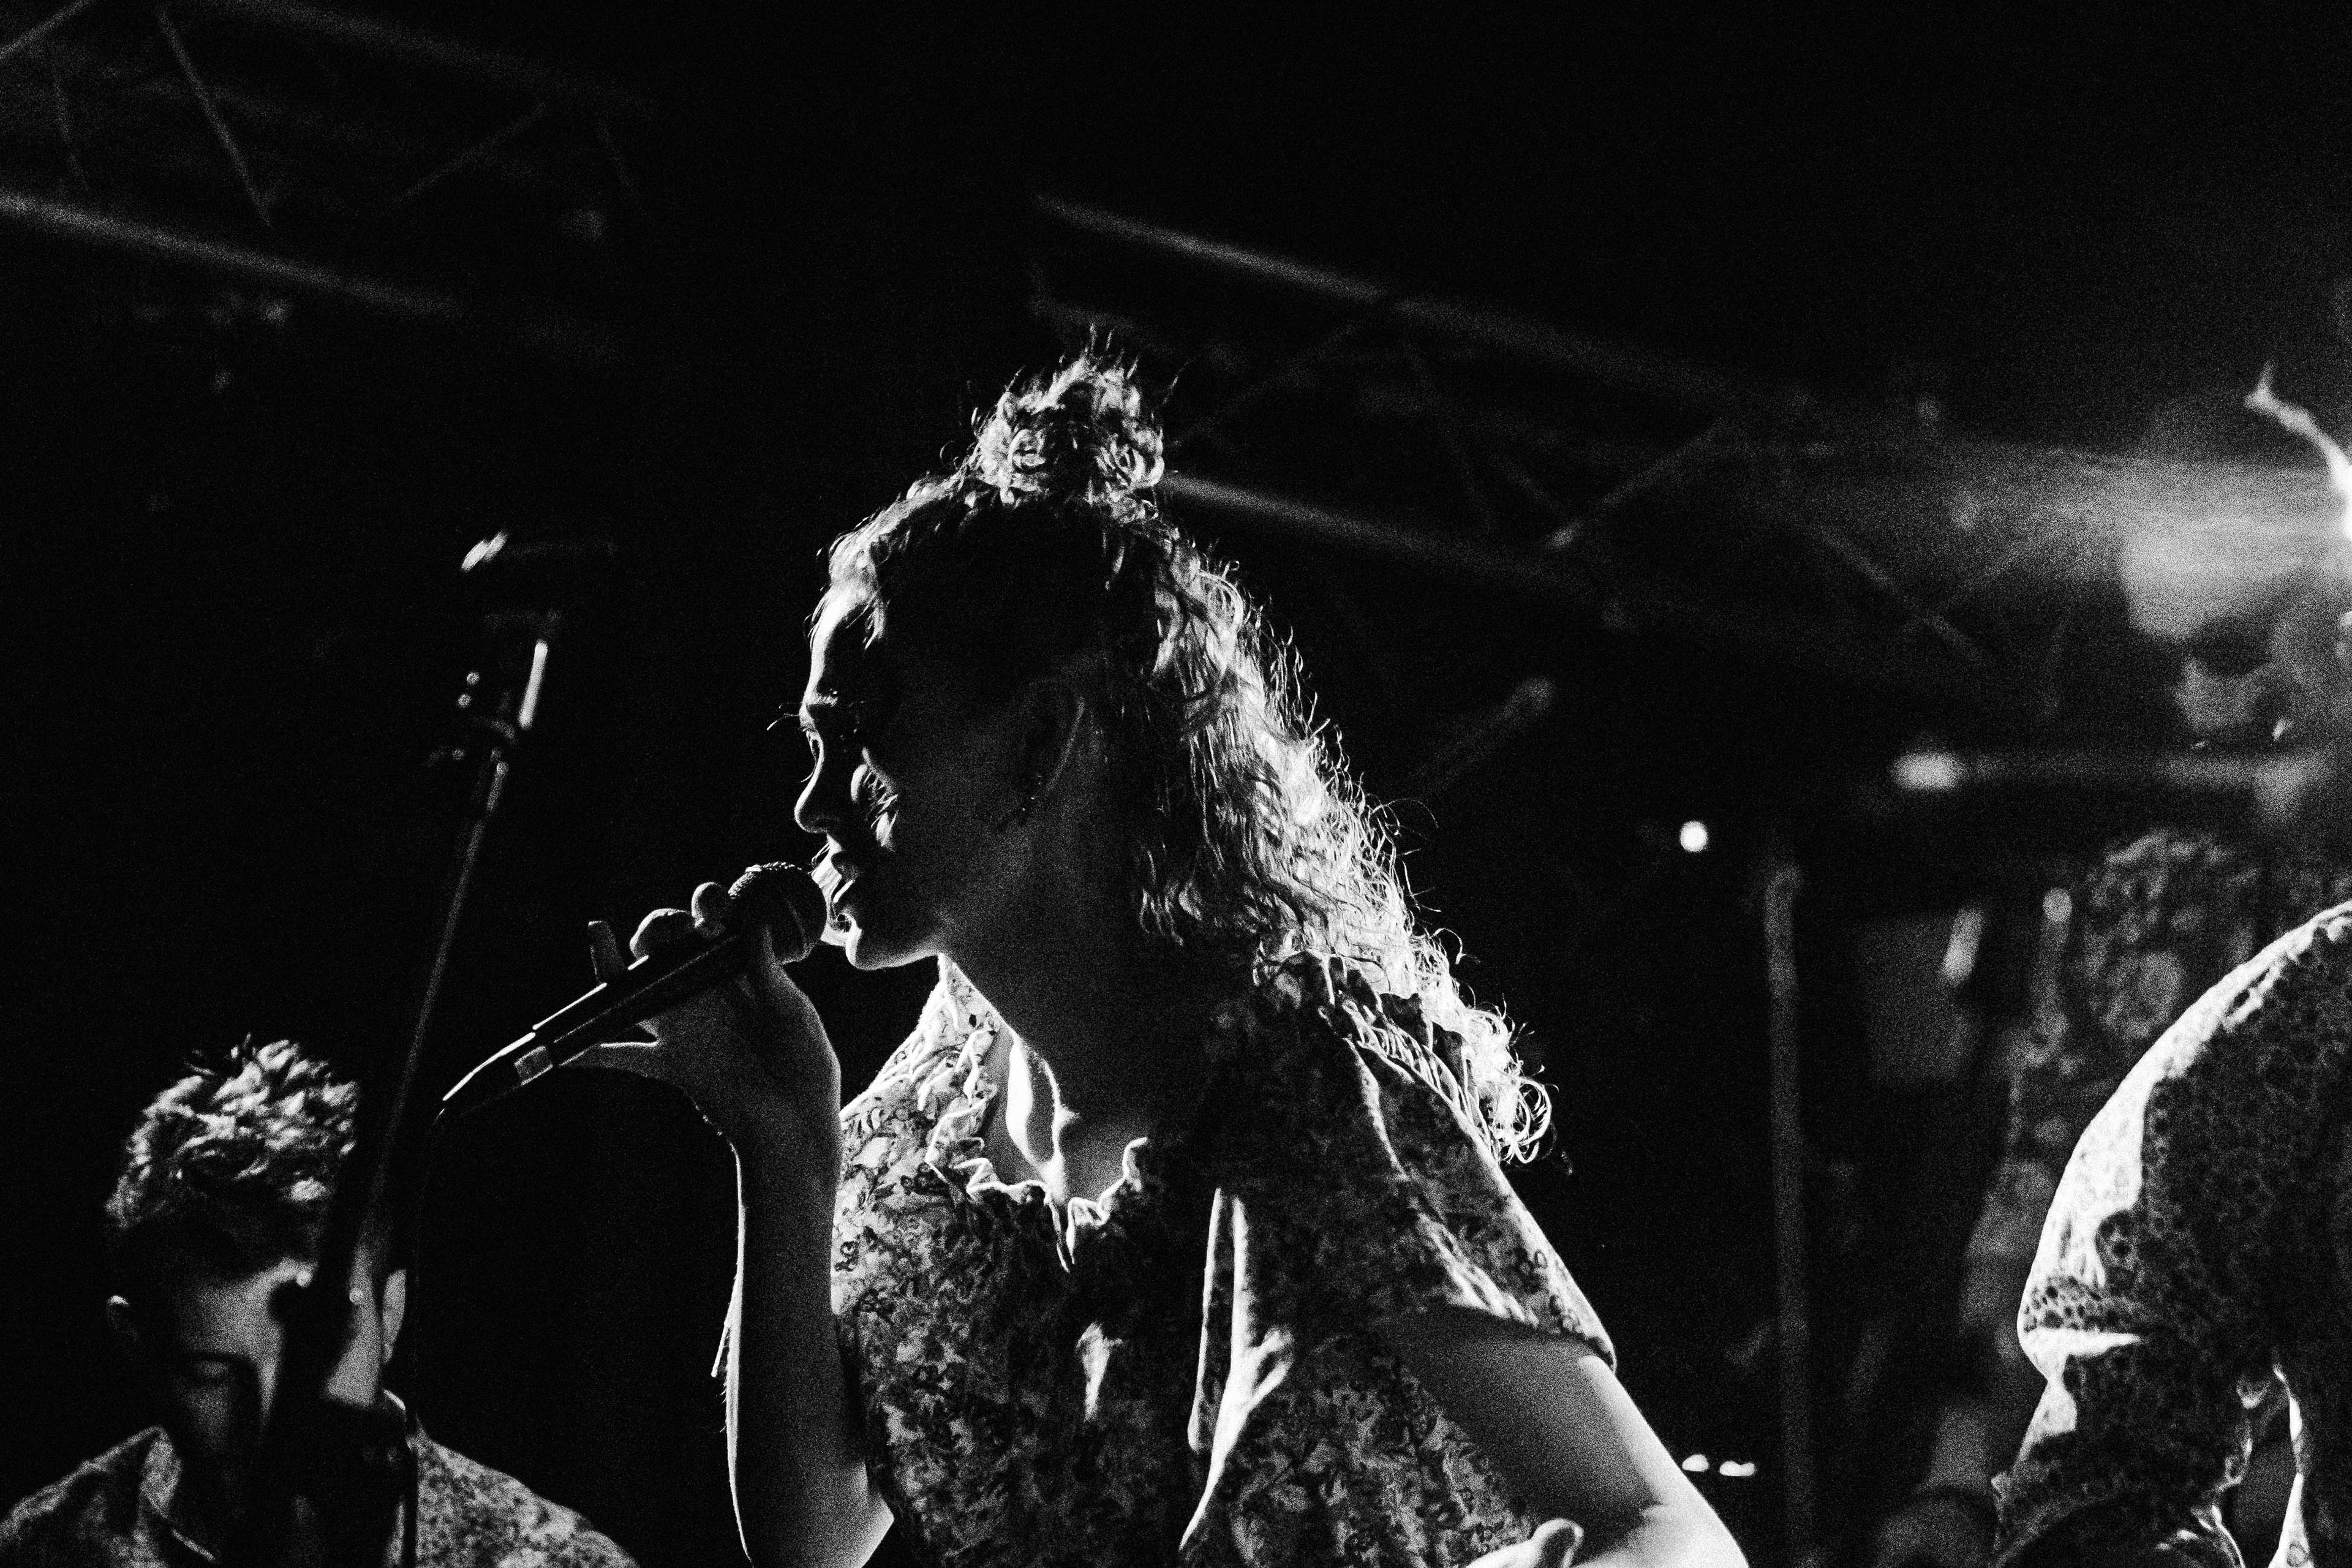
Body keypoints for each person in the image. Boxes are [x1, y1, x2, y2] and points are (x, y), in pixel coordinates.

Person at [579, 353, 1747, 1568]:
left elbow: (1664, 1532)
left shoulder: (1289, 1091)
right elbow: (809, 1542)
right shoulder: (924, 1138)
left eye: (863, 738)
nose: (815, 804)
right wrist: (782, 1145)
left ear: (1041, 742)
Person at [1868, 391, 2352, 1568]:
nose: (2202, 699)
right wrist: (1957, 1483)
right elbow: (2053, 1211)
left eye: (2230, 645)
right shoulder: (2150, 889)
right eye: (2163, 657)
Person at [0, 1039, 636, 1568]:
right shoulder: (44, 1549)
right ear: (135, 1344)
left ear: (392, 1314)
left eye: (318, 1350)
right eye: (210, 1372)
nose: (271, 1425)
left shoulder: (550, 1560)